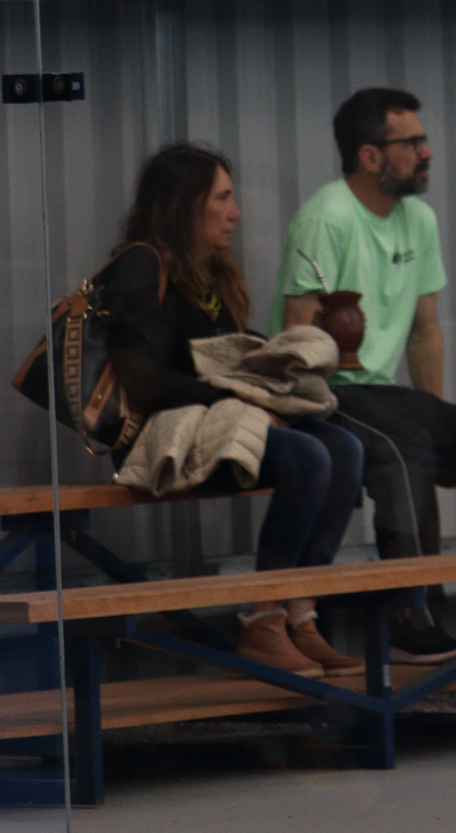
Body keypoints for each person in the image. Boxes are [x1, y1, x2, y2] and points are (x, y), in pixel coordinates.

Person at [272, 89, 456, 663]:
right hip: (326, 390)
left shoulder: (419, 219)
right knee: (401, 450)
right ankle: (410, 619)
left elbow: (423, 331)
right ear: (370, 156)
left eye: (424, 140)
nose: (427, 152)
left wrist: (434, 420)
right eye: (412, 142)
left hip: (384, 392)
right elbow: (295, 332)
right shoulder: (326, 218)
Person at [101, 143, 367, 680]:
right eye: (222, 198)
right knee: (307, 457)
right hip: (163, 434)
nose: (236, 213)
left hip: (215, 420)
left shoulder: (213, 272)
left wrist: (281, 364)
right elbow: (142, 380)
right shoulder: (141, 265)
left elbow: (226, 358)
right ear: (185, 203)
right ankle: (264, 621)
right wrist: (242, 400)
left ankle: (300, 610)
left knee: (344, 447)